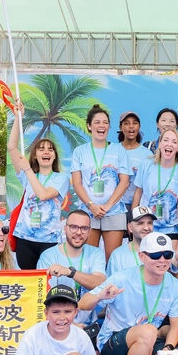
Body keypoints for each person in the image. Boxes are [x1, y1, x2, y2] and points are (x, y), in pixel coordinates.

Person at [79, 232, 178, 355]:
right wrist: (99, 297)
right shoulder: (122, 278)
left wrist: (168, 349)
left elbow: (177, 325)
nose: (162, 260)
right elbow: (82, 304)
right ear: (142, 256)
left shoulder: (174, 285)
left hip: (147, 341)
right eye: (155, 255)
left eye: (167, 255)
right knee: (149, 331)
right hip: (113, 343)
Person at [8, 111, 70, 270]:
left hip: (49, 240)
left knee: (46, 282)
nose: (46, 152)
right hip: (24, 238)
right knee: (29, 280)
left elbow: (43, 195)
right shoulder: (26, 174)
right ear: (35, 155)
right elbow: (11, 147)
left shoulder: (61, 178)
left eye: (50, 149)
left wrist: (28, 171)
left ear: (55, 156)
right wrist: (18, 117)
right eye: (41, 149)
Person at [71, 104, 130, 260]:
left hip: (114, 211)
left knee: (112, 259)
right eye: (97, 122)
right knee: (88, 259)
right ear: (89, 126)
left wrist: (107, 206)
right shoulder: (79, 151)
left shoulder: (119, 150)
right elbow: (77, 183)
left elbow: (124, 182)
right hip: (88, 212)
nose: (101, 126)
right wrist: (92, 206)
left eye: (105, 122)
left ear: (109, 127)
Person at [37, 210, 107, 326]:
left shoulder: (96, 253)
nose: (79, 232)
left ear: (89, 231)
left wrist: (71, 273)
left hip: (88, 326)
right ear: (65, 228)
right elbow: (43, 299)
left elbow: (100, 283)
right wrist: (72, 326)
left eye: (84, 228)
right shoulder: (48, 256)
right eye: (73, 227)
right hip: (57, 325)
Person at [133, 128, 178, 241]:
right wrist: (134, 220)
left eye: (174, 142)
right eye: (166, 140)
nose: (169, 144)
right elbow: (138, 192)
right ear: (159, 144)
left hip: (171, 229)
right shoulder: (147, 164)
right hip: (147, 227)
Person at [107, 205, 178, 278]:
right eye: (141, 223)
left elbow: (175, 261)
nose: (146, 228)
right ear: (130, 227)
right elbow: (111, 285)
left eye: (149, 223)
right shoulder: (117, 255)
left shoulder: (162, 248)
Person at [115, 111, 153, 215]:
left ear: (139, 126)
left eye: (135, 123)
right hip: (115, 206)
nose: (131, 127)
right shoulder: (113, 151)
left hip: (139, 206)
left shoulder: (147, 154)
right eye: (126, 123)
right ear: (120, 127)